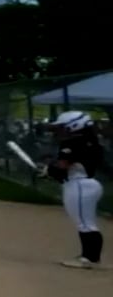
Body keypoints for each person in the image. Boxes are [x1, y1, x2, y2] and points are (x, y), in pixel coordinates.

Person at [47, 110, 106, 270]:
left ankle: (89, 258)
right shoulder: (93, 142)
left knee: (85, 223)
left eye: (62, 127)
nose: (60, 131)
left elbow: (62, 167)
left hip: (79, 185)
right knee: (85, 222)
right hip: (88, 184)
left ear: (74, 126)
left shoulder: (72, 143)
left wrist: (49, 170)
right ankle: (89, 257)